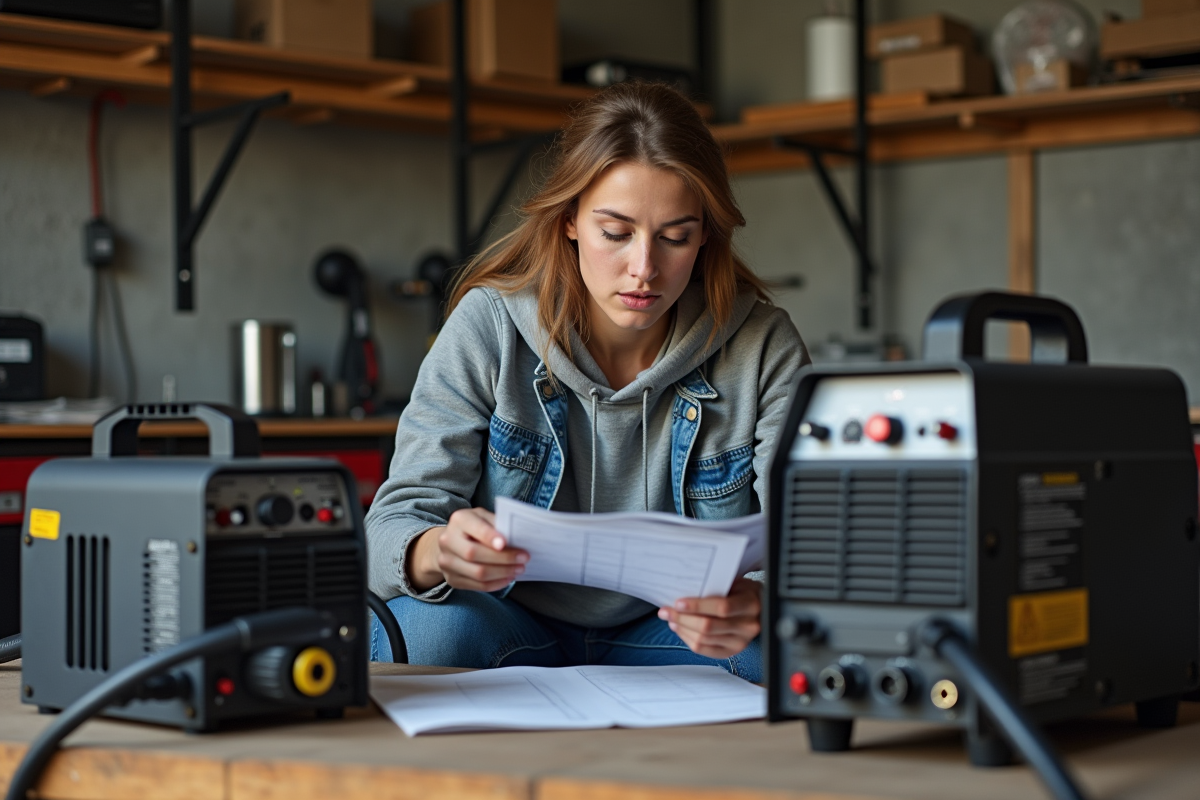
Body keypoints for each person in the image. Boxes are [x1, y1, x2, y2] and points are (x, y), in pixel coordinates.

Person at [365, 81, 809, 682]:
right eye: (616, 232)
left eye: (675, 236)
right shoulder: (489, 325)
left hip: (670, 631)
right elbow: (391, 527)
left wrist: (757, 604)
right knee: (426, 631)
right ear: (570, 220)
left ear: (706, 234)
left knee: (782, 648)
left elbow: (812, 537)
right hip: (509, 622)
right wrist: (435, 552)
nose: (644, 268)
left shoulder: (762, 345)